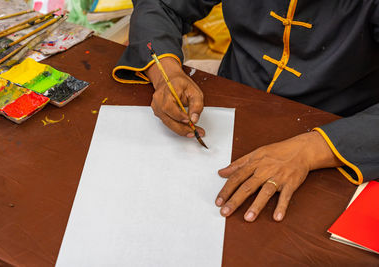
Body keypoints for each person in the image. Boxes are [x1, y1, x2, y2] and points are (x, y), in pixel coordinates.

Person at [112, 0, 379, 222]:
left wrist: (311, 150)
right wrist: (165, 72)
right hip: (234, 97)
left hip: (341, 131)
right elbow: (162, 4)